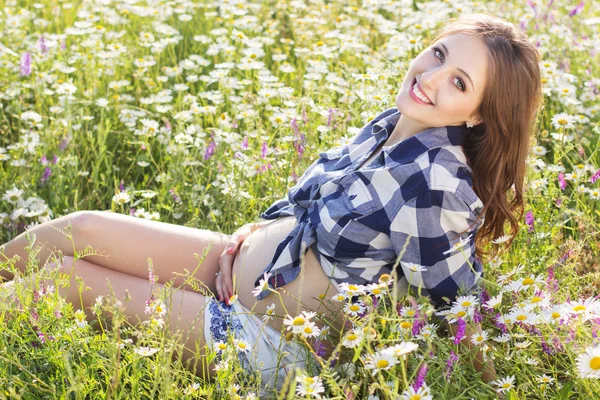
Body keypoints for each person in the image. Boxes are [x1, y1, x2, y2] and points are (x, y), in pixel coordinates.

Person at [0, 12, 542, 395]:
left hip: (275, 347)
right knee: (84, 228)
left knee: (68, 280)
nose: (429, 78)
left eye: (458, 81)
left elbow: (461, 301)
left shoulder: (436, 183)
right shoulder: (393, 124)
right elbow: (312, 200)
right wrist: (255, 233)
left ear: (476, 115)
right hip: (239, 269)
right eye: (438, 54)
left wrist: (498, 382)